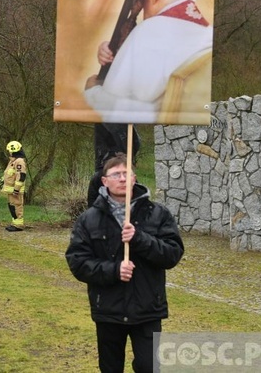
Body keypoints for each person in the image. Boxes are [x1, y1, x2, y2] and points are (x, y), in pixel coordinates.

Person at [65, 154, 184, 372]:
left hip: (147, 307)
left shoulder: (157, 214)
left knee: (149, 367)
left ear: (134, 178)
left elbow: (172, 254)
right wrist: (113, 270)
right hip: (108, 308)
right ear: (104, 181)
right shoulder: (89, 219)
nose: (122, 178)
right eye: (116, 174)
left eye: (126, 173)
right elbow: (78, 262)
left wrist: (140, 239)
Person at [84, 0, 213, 123]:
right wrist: (116, 51)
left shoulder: (147, 31)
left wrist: (92, 91)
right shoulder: (208, 33)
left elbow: (115, 104)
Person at [87, 124, 141, 208]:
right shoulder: (100, 178)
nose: (122, 179)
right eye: (116, 175)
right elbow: (91, 214)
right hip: (105, 165)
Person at [1, 141, 27, 232]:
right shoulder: (13, 161)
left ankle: (19, 225)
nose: (9, 152)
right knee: (12, 206)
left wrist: (16, 190)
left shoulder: (19, 161)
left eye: (9, 150)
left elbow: (21, 176)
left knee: (17, 206)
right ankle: (15, 223)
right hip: (11, 190)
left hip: (16, 191)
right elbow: (9, 174)